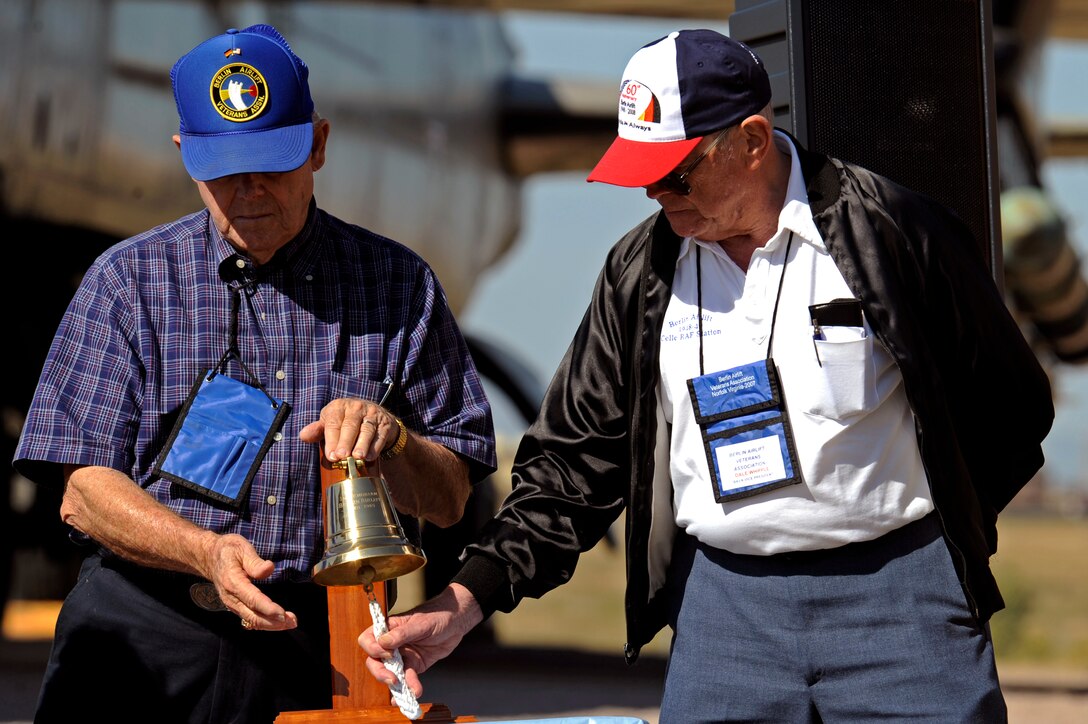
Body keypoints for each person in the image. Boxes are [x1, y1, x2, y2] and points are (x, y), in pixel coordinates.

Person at [358, 29, 1054, 722]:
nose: (657, 195)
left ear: (753, 140)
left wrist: (934, 548)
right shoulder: (639, 273)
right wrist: (462, 601)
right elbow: (572, 470)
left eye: (676, 173)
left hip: (902, 603)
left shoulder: (892, 232)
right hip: (726, 618)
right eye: (642, 176)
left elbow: (1010, 409)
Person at [13, 23, 496, 724]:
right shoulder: (127, 284)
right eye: (225, 169)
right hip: (143, 637)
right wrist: (204, 552)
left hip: (317, 645)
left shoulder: (398, 287)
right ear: (185, 156)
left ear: (320, 145)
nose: (250, 191)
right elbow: (81, 491)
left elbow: (451, 498)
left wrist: (394, 441)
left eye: (274, 163)